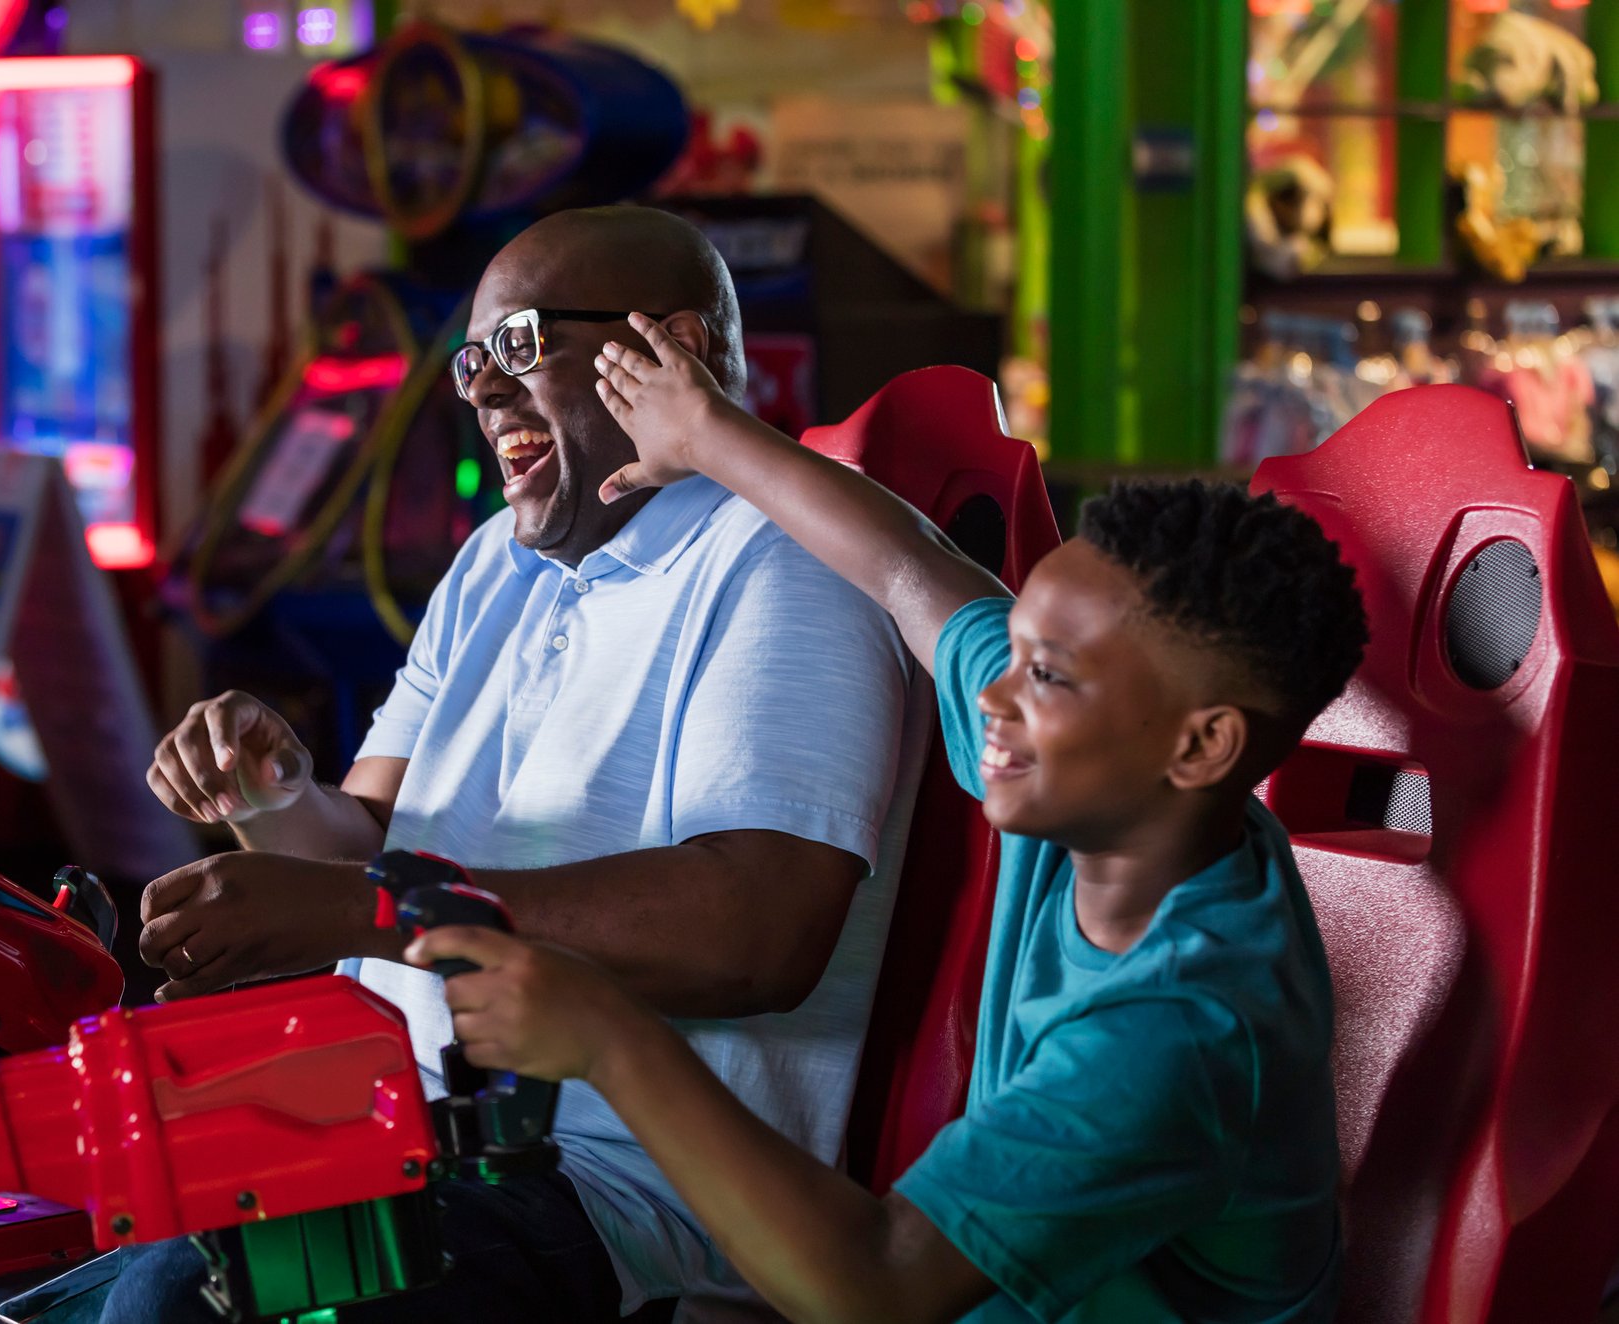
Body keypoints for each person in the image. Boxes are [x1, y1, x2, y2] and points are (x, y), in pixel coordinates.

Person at [403, 314, 1366, 1323]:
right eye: (1018, 647)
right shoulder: (1126, 807)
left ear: (1200, 745)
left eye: (1045, 676)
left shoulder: (1181, 1028)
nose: (994, 696)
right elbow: (909, 565)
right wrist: (703, 432)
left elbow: (880, 1285)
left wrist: (611, 1040)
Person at [94, 208, 930, 1323]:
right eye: (472, 361)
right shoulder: (497, 560)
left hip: (616, 1188)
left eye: (524, 344)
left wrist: (359, 908)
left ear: (674, 345)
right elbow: (369, 845)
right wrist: (273, 795)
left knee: (171, 1305)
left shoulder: (779, 559)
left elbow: (755, 935)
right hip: (400, 1116)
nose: (485, 391)